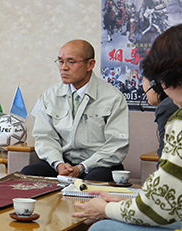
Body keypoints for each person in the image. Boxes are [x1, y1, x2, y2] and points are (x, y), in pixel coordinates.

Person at [73, 23, 182, 230]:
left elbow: (162, 207)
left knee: (102, 227)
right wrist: (126, 202)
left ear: (166, 79)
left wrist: (105, 210)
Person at [21, 39, 129, 182]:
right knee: (28, 174)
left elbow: (117, 144)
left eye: (71, 62)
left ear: (90, 64)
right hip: (63, 163)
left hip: (99, 165)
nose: (63, 68)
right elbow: (45, 137)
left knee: (92, 181)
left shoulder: (113, 97)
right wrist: (58, 164)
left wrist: (82, 167)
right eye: (60, 61)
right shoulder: (50, 95)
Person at [141, 76, 179, 159]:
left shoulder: (167, 108)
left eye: (144, 81)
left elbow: (165, 156)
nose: (143, 87)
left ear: (155, 86)